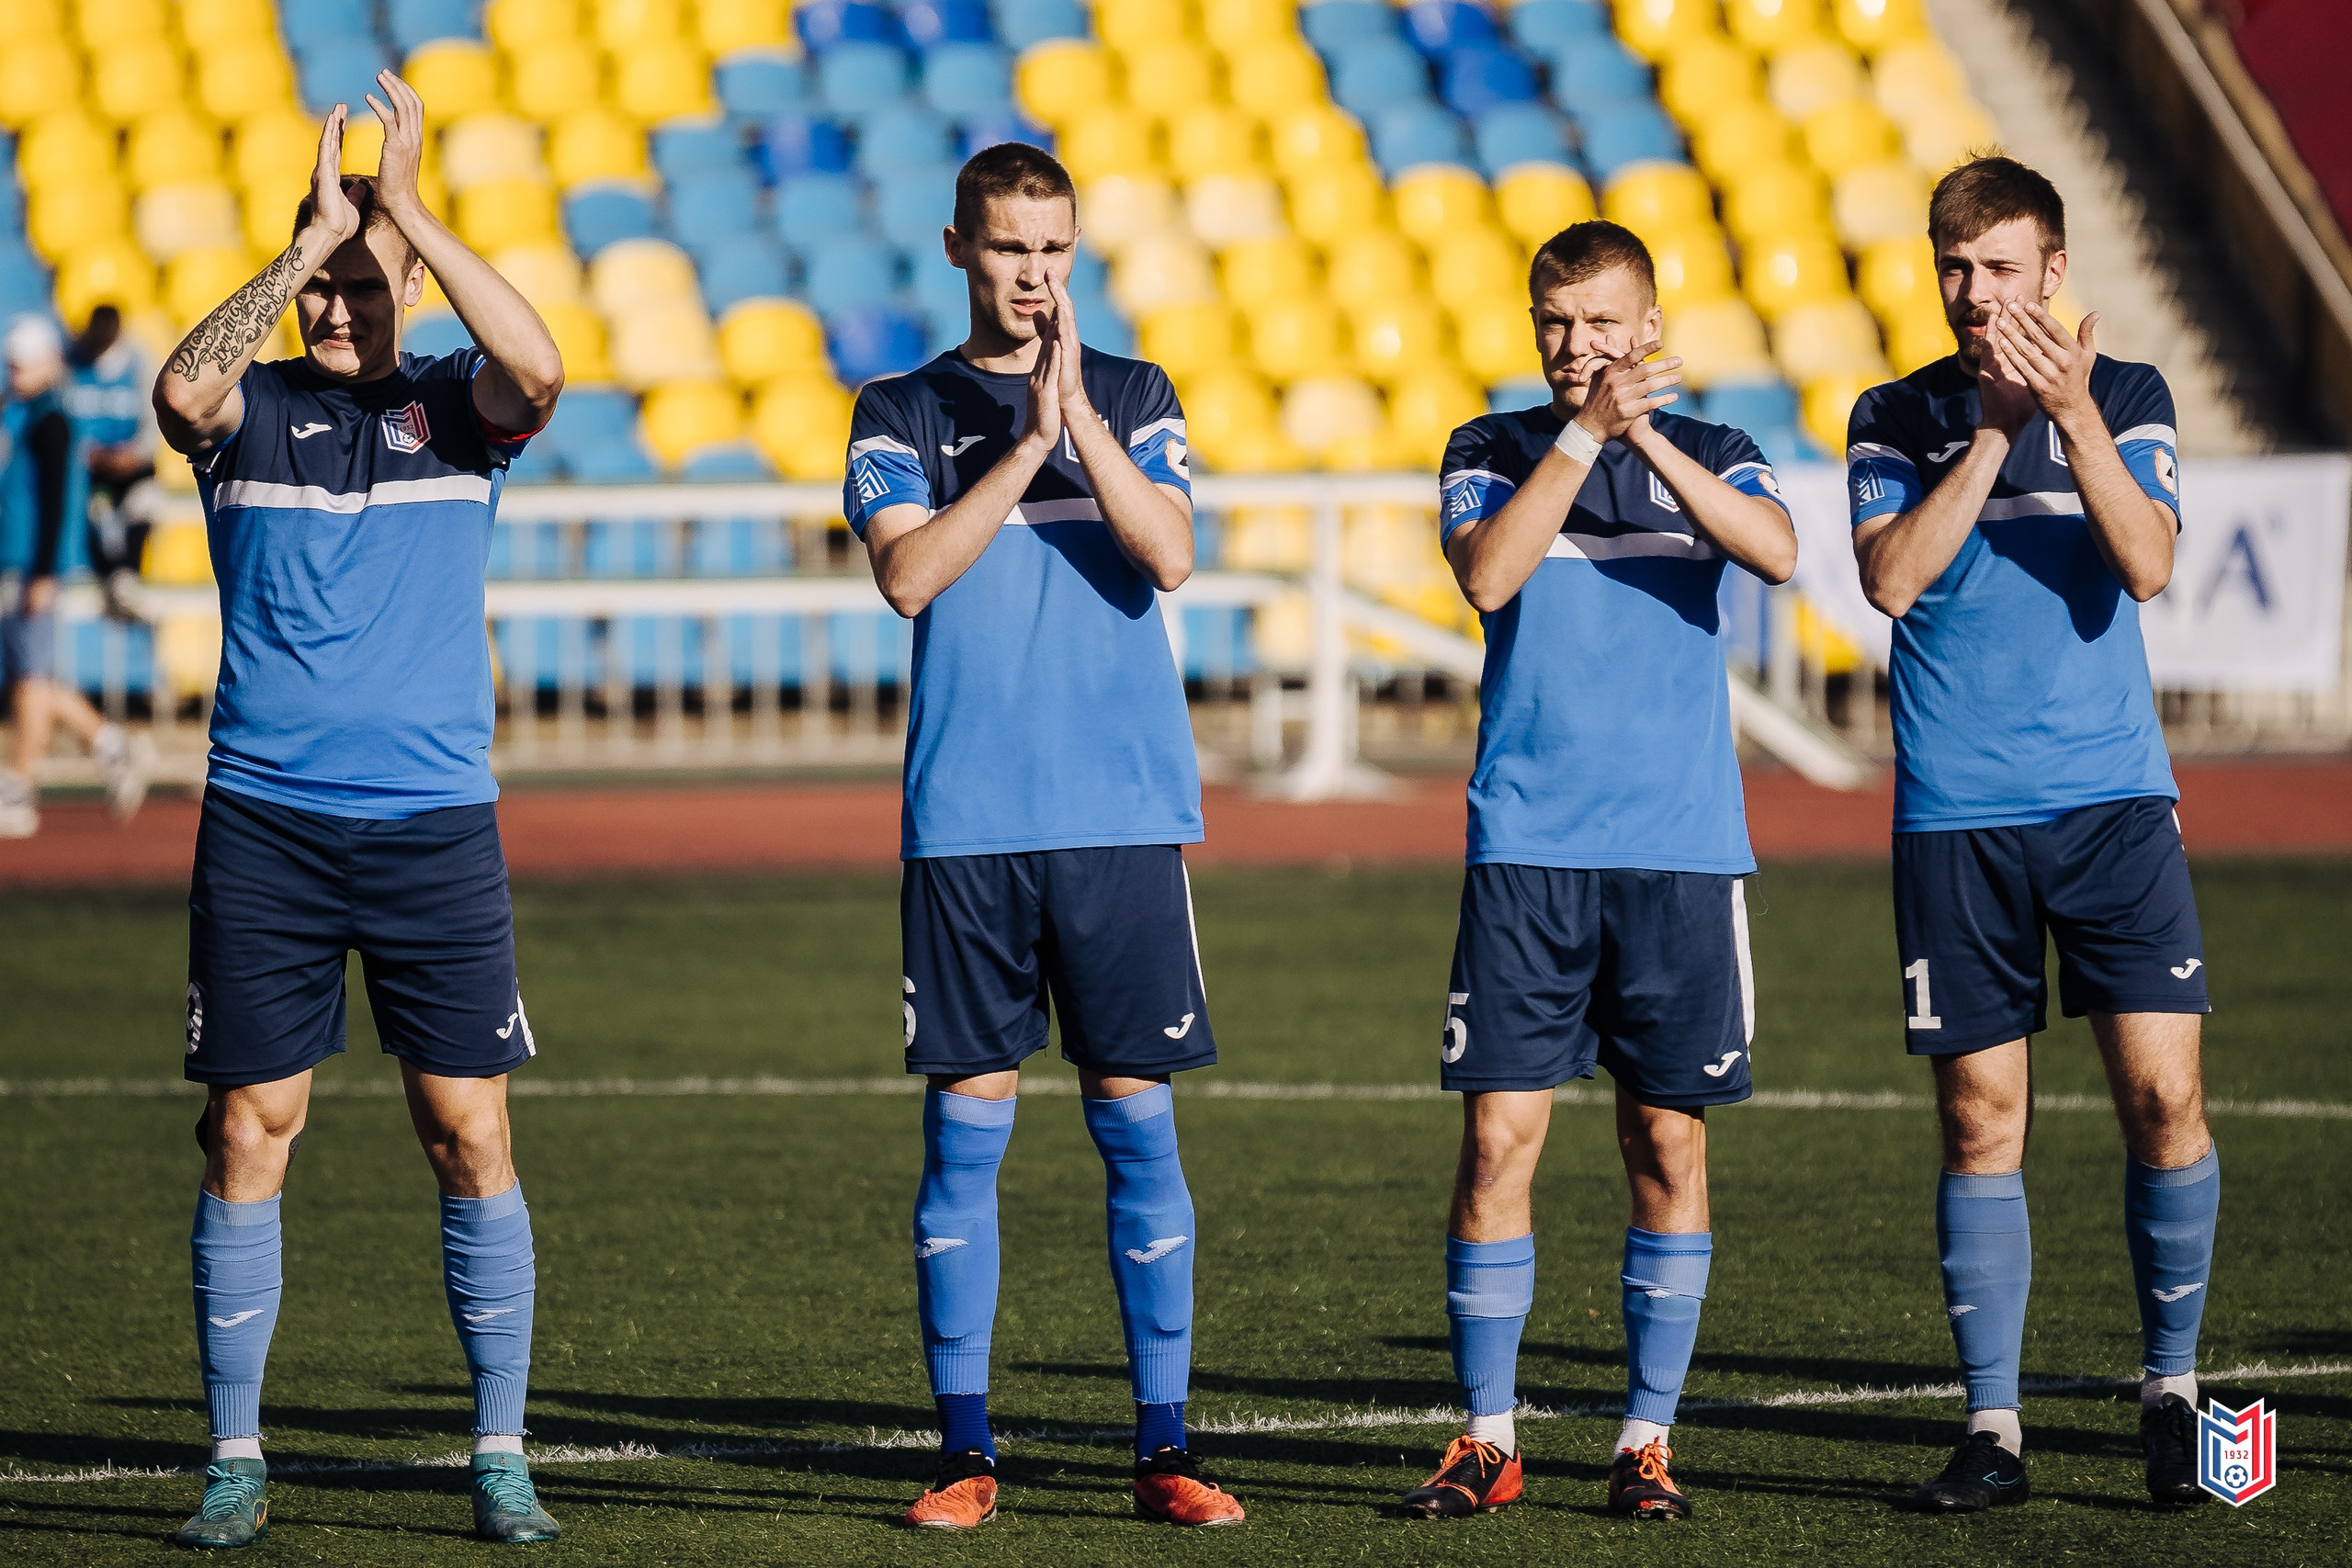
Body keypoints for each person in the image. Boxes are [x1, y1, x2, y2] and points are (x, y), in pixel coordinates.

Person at [150, 73, 565, 1548]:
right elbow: (181, 391)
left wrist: (410, 214)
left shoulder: (456, 407)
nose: (339, 308)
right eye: (324, 287)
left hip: (434, 826)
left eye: (364, 286)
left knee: (468, 1131)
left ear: (413, 288)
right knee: (250, 1128)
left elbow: (543, 369)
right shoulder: (251, 409)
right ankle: (236, 1454)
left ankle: (500, 1450)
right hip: (266, 826)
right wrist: (310, 239)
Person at [842, 141, 1243, 1531]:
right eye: (1010, 246)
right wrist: (1022, 442)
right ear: (960, 246)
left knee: (1139, 1126)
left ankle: (1165, 1448)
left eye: (1055, 248)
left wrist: (1077, 423)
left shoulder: (1135, 392)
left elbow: (1171, 553)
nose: (1034, 273)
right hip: (968, 822)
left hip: (1121, 817)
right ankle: (964, 1452)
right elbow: (910, 576)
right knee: (966, 1137)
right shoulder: (899, 406)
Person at [1405, 220, 1796, 1524]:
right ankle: (1487, 1435)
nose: (1578, 346)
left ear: (1649, 327)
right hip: (1529, 849)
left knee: (1665, 1141)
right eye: (1557, 323)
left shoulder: (1718, 450)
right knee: (1495, 1142)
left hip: (1679, 850)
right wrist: (1582, 436)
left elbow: (1777, 553)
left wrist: (1646, 440)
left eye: (1602, 323)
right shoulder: (1488, 447)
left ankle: (1646, 1438)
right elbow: (1488, 575)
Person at [1846, 155, 2216, 1514]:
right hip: (1958, 816)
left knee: (2162, 1101)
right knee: (1979, 1117)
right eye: (1954, 268)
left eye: (1999, 268)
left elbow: (2148, 563)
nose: (1973, 292)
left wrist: (2066, 414)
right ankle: (1992, 1426)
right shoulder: (1894, 414)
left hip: (2112, 806)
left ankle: (2171, 1393)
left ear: (2054, 272)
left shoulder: (2130, 392)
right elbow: (1891, 579)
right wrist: (1996, 434)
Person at [1, 314, 152, 838]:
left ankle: (19, 787)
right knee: (32, 678)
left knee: (30, 679)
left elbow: (55, 502)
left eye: (22, 364)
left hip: (30, 565)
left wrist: (44, 570)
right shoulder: (27, 412)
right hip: (18, 562)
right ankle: (112, 745)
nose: (14, 373)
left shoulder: (51, 419)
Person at [66, 303, 164, 624]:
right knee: (93, 510)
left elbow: (155, 420)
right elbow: (63, 420)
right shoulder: (72, 364)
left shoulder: (138, 363)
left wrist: (134, 453)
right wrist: (86, 453)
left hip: (130, 466)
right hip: (89, 470)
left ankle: (126, 579)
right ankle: (113, 579)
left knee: (146, 501)